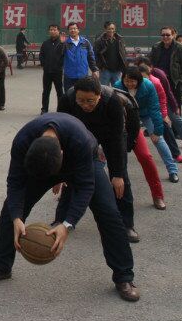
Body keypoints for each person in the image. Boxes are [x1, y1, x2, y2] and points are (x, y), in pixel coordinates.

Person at [0, 113, 139, 302]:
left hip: (85, 161)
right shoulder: (22, 141)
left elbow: (85, 187)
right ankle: (1, 266)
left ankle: (124, 277)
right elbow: (15, 182)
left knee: (109, 213)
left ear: (62, 153)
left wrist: (67, 224)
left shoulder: (80, 141)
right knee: (10, 208)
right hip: (44, 162)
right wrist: (16, 217)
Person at [59, 76, 141, 242]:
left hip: (111, 135)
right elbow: (62, 132)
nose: (85, 105)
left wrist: (117, 173)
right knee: (71, 175)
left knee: (121, 180)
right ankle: (62, 220)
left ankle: (126, 225)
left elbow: (117, 139)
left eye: (90, 101)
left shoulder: (112, 101)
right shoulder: (67, 99)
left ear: (99, 96)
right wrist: (60, 170)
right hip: (81, 134)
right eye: (81, 101)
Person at [115, 66, 169, 208]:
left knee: (146, 157)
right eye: (126, 80)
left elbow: (155, 108)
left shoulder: (148, 86)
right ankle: (118, 199)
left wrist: (157, 131)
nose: (129, 84)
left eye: (133, 81)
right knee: (114, 162)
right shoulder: (117, 86)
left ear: (139, 80)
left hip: (136, 124)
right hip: (120, 127)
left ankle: (158, 196)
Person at [135, 63, 181, 182]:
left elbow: (160, 102)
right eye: (139, 78)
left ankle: (173, 170)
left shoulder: (153, 84)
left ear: (149, 76)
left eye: (145, 78)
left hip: (149, 113)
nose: (142, 81)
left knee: (159, 139)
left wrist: (163, 117)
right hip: (133, 113)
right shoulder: (126, 83)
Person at [150, 26, 182, 120]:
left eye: (168, 35)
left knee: (174, 106)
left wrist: (180, 79)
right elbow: (151, 61)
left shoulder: (179, 47)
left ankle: (177, 127)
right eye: (163, 35)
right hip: (158, 80)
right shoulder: (156, 47)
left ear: (173, 35)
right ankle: (160, 125)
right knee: (158, 103)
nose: (165, 37)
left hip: (174, 81)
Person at [62, 22, 98, 92]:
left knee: (83, 95)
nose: (73, 30)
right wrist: (61, 43)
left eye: (75, 28)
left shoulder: (85, 42)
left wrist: (94, 70)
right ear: (68, 31)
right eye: (71, 29)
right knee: (69, 95)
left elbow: (91, 57)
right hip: (69, 76)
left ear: (78, 30)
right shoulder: (65, 43)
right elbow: (59, 55)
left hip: (83, 75)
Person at [39, 25, 65, 114]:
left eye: (54, 30)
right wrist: (44, 64)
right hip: (47, 71)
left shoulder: (62, 43)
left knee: (59, 91)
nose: (52, 31)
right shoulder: (45, 43)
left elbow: (64, 55)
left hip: (58, 71)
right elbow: (41, 55)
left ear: (58, 31)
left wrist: (60, 65)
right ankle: (44, 109)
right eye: (51, 30)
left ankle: (61, 109)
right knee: (46, 91)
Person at [94, 21, 127, 86]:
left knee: (117, 89)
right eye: (109, 29)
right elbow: (95, 55)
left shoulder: (120, 39)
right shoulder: (99, 41)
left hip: (117, 70)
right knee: (104, 89)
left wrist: (123, 66)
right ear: (105, 29)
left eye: (112, 28)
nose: (111, 30)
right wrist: (100, 67)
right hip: (105, 70)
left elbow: (123, 53)